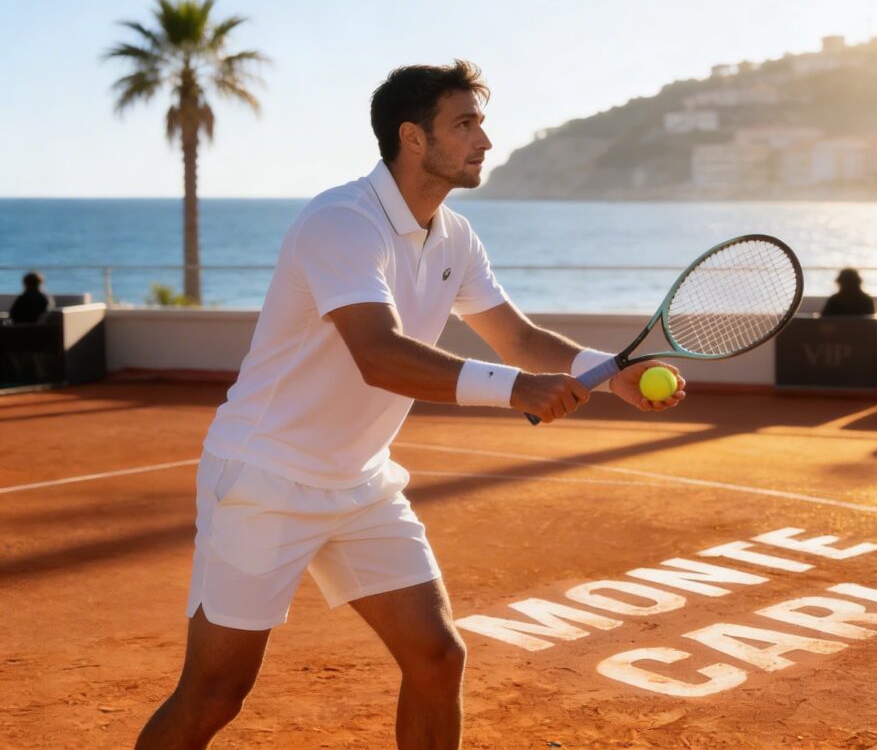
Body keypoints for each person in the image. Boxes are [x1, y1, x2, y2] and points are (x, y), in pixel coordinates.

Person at [135, 60, 684, 750]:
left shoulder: (455, 235)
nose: (485, 140)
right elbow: (379, 353)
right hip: (264, 477)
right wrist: (517, 390)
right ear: (413, 138)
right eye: (465, 124)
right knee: (215, 694)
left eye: (480, 123)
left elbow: (515, 335)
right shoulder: (341, 221)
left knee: (437, 656)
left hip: (361, 484)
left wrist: (611, 375)